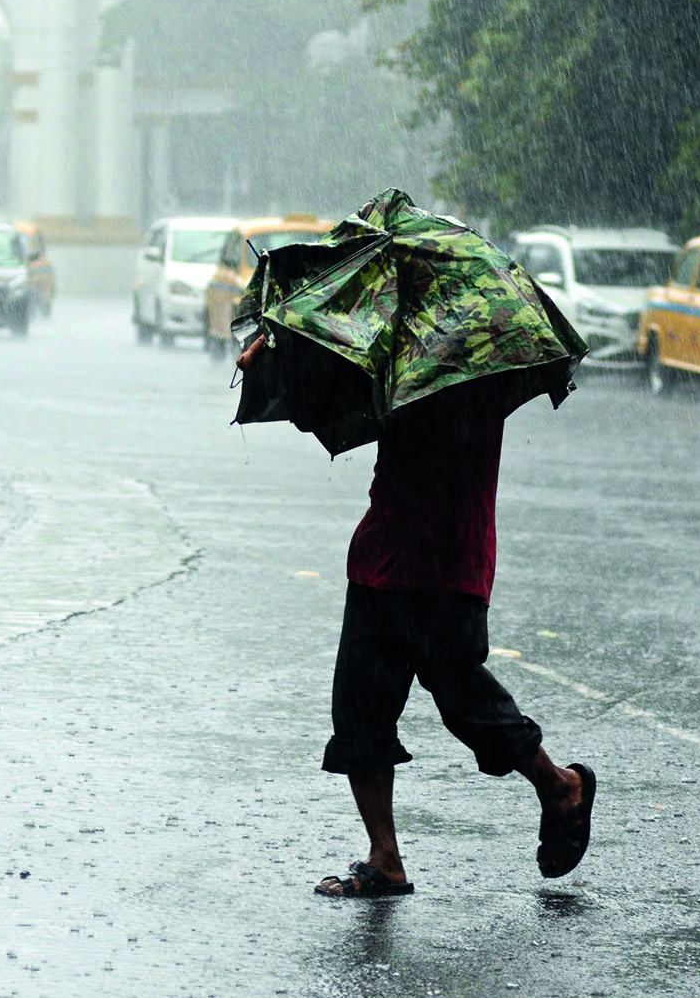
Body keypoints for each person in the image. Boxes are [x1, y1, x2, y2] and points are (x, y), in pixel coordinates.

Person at [237, 336, 596, 898]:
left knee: (466, 703)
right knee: (359, 711)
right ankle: (385, 860)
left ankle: (560, 787)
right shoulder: (394, 349)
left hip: (448, 563)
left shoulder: (481, 358)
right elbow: (333, 413)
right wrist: (277, 364)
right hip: (382, 556)